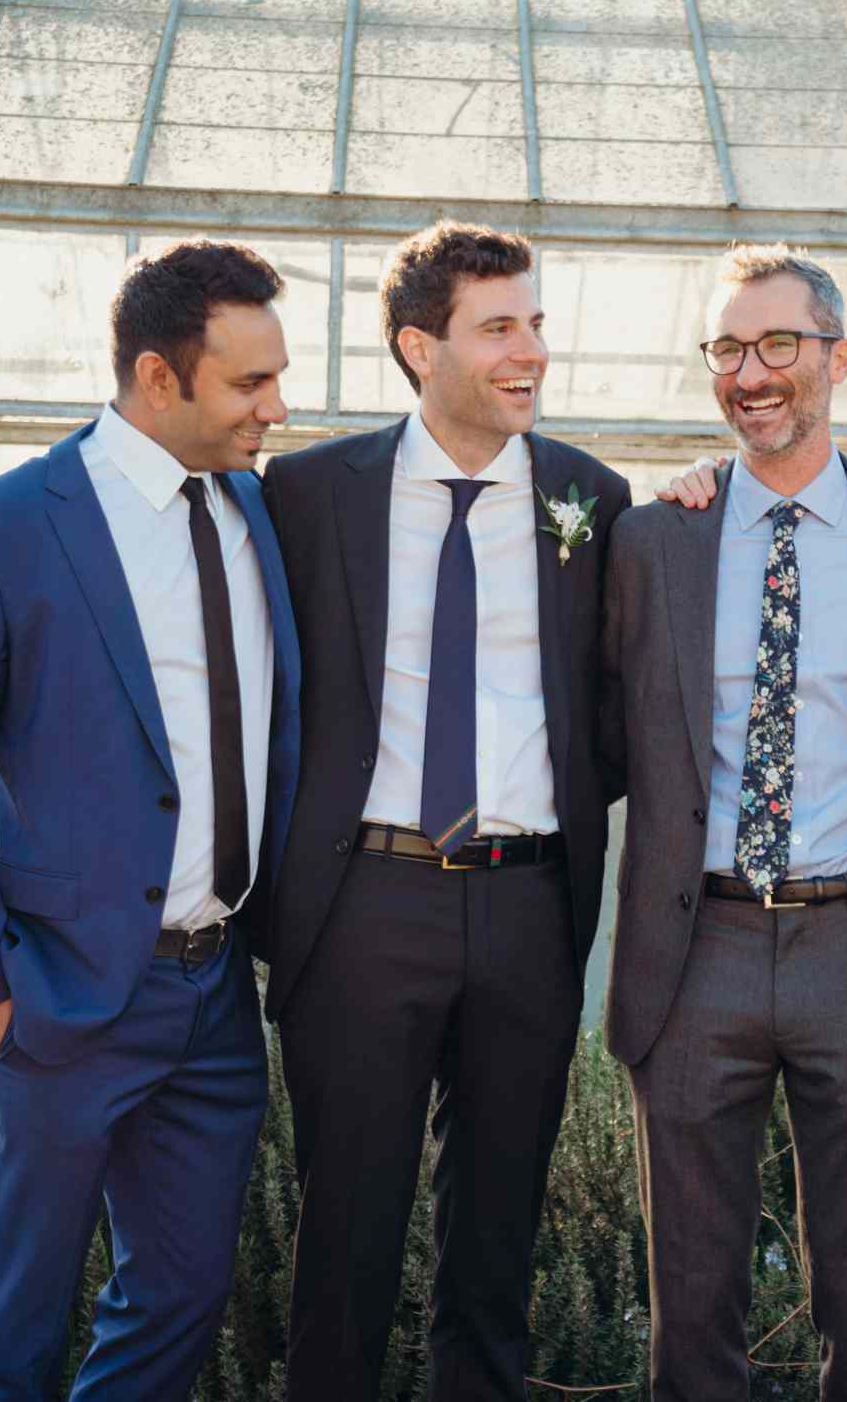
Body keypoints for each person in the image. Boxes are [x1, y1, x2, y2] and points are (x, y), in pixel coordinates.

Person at [0, 241, 301, 1400]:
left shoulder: (264, 513)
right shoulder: (5, 530)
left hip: (215, 999)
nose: (278, 405)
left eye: (278, 375)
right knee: (12, 1336)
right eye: (249, 384)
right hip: (55, 1000)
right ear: (159, 379)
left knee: (177, 1305)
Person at [261, 221, 631, 1401]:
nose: (532, 351)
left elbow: (621, 704)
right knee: (347, 1237)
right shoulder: (313, 493)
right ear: (423, 347)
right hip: (367, 899)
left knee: (496, 1245)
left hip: (531, 905)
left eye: (536, 324)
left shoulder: (594, 499)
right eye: (500, 328)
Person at [604, 244, 847, 1401]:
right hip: (692, 939)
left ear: (838, 357)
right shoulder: (654, 539)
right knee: (691, 1295)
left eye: (778, 346)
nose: (750, 374)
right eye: (726, 349)